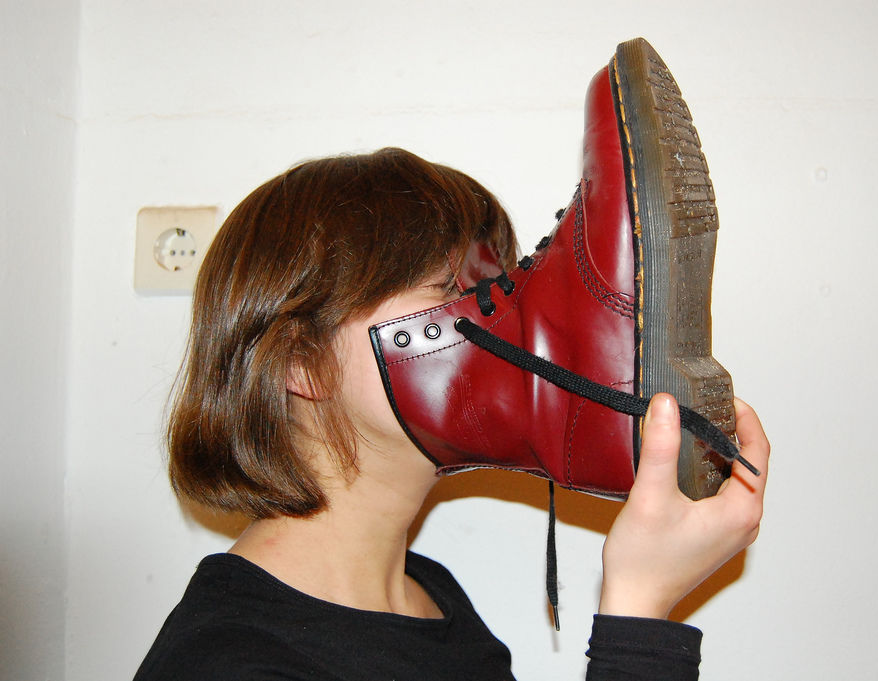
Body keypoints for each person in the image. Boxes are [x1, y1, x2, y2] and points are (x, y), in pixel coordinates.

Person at [132, 147, 769, 681]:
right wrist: (639, 610)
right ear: (302, 364)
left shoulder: (428, 594)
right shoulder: (229, 664)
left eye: (493, 286)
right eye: (452, 290)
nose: (503, 318)